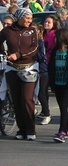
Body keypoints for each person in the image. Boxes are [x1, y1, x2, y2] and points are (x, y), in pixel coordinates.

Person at [0, 8, 38, 140]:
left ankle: (31, 129)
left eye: (30, 18)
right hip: (12, 69)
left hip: (29, 68)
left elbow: (34, 48)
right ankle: (21, 130)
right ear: (19, 18)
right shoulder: (7, 31)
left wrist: (18, 54)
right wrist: (4, 54)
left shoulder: (32, 31)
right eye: (27, 18)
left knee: (27, 99)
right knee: (16, 101)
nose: (29, 20)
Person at [31, 23, 52, 126]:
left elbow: (42, 57)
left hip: (42, 70)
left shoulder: (40, 42)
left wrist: (34, 51)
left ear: (39, 31)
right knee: (30, 93)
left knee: (41, 94)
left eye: (34, 30)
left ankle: (47, 115)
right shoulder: (28, 41)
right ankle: (34, 110)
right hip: (30, 69)